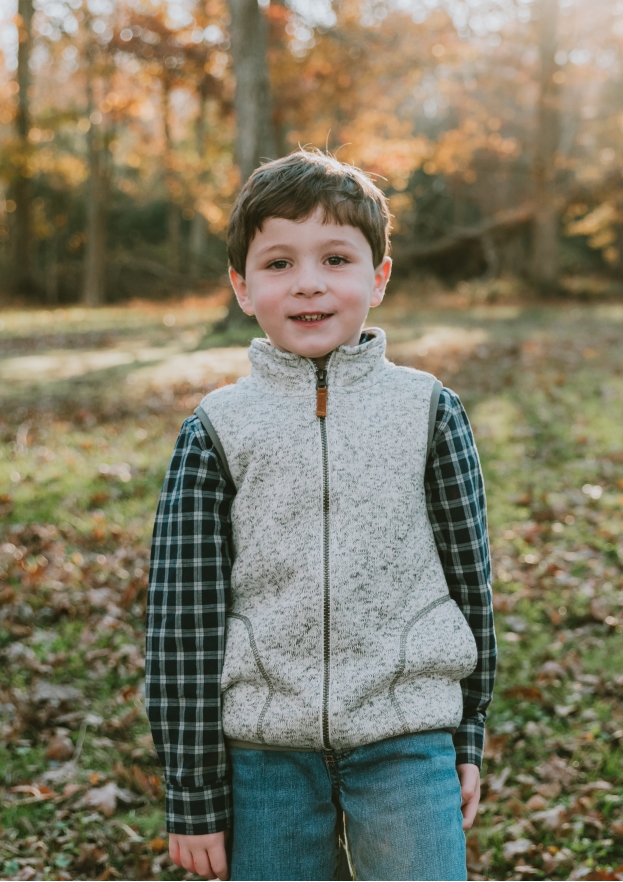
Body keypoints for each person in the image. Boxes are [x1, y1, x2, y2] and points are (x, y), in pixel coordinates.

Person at [144, 149, 496, 881]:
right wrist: (194, 796)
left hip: (407, 740)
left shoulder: (429, 411)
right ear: (242, 286)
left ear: (379, 277)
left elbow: (472, 587)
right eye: (278, 264)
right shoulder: (217, 428)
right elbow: (180, 620)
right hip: (265, 756)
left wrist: (468, 739)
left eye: (336, 258)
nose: (308, 283)